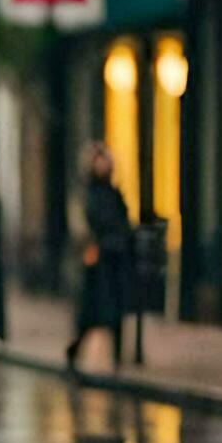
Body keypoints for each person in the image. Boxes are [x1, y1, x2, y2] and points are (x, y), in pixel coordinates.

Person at [67, 144, 134, 370]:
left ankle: (118, 358)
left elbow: (124, 221)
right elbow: (79, 225)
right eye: (98, 161)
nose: (102, 165)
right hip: (95, 262)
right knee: (90, 314)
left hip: (114, 258)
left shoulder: (113, 193)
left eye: (104, 161)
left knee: (115, 312)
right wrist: (89, 246)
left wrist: (122, 242)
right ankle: (76, 350)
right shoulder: (85, 194)